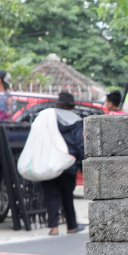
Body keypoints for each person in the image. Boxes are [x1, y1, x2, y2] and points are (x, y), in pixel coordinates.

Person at [42, 92, 85, 235]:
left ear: (58, 103)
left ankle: (53, 228)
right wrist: (82, 164)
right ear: (71, 106)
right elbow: (79, 144)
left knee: (51, 194)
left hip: (50, 162)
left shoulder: (48, 116)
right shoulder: (77, 121)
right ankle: (71, 226)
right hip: (68, 162)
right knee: (67, 195)